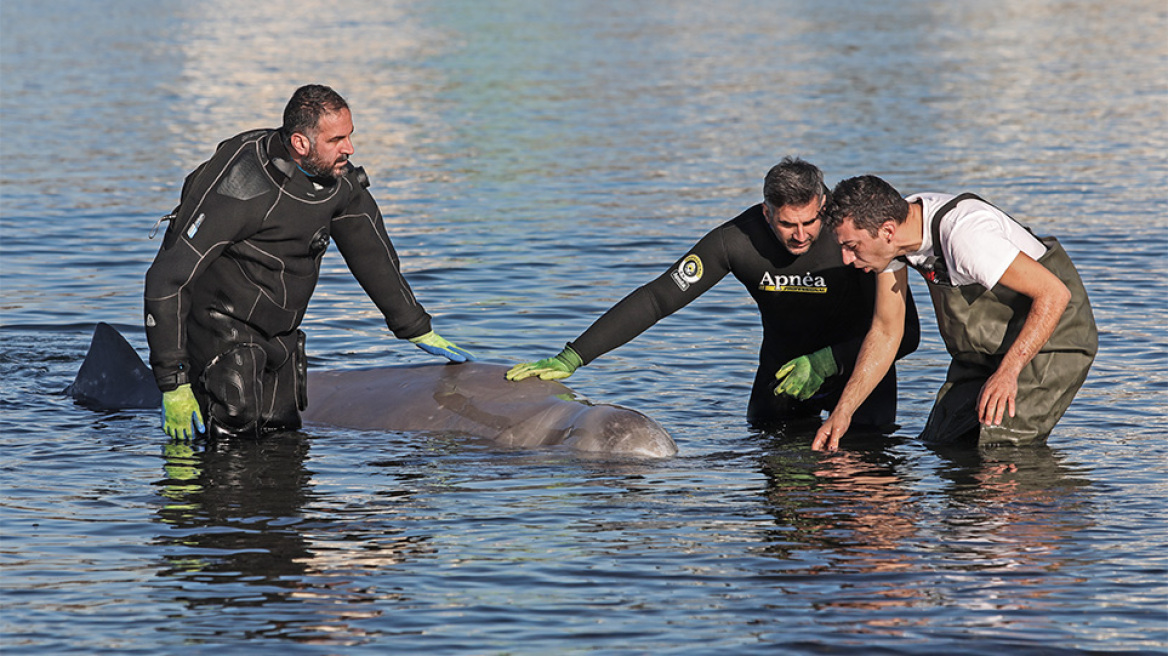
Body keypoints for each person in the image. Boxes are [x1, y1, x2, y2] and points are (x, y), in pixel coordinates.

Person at [145, 84, 474, 440]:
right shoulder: (241, 184)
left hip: (281, 335)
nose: (349, 148)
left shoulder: (337, 180)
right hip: (220, 334)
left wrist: (413, 324)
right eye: (336, 140)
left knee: (284, 442)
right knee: (229, 450)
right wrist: (173, 382)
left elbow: (371, 253)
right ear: (301, 143)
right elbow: (167, 280)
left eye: (350, 136)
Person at [507, 158, 919, 433]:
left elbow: (909, 333)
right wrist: (574, 356)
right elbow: (658, 299)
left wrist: (827, 362)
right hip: (779, 376)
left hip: (860, 372)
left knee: (866, 486)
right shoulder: (735, 241)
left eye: (810, 222)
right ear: (765, 213)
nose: (800, 235)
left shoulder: (855, 240)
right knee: (780, 503)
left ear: (824, 206)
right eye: (787, 224)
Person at [814, 175, 1097, 451]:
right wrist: (843, 412)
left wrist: (1008, 372)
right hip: (985, 351)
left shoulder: (966, 235)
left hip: (1053, 338)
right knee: (942, 443)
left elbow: (1054, 294)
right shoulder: (895, 240)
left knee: (1000, 447)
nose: (846, 259)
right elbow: (887, 332)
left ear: (888, 231)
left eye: (851, 246)